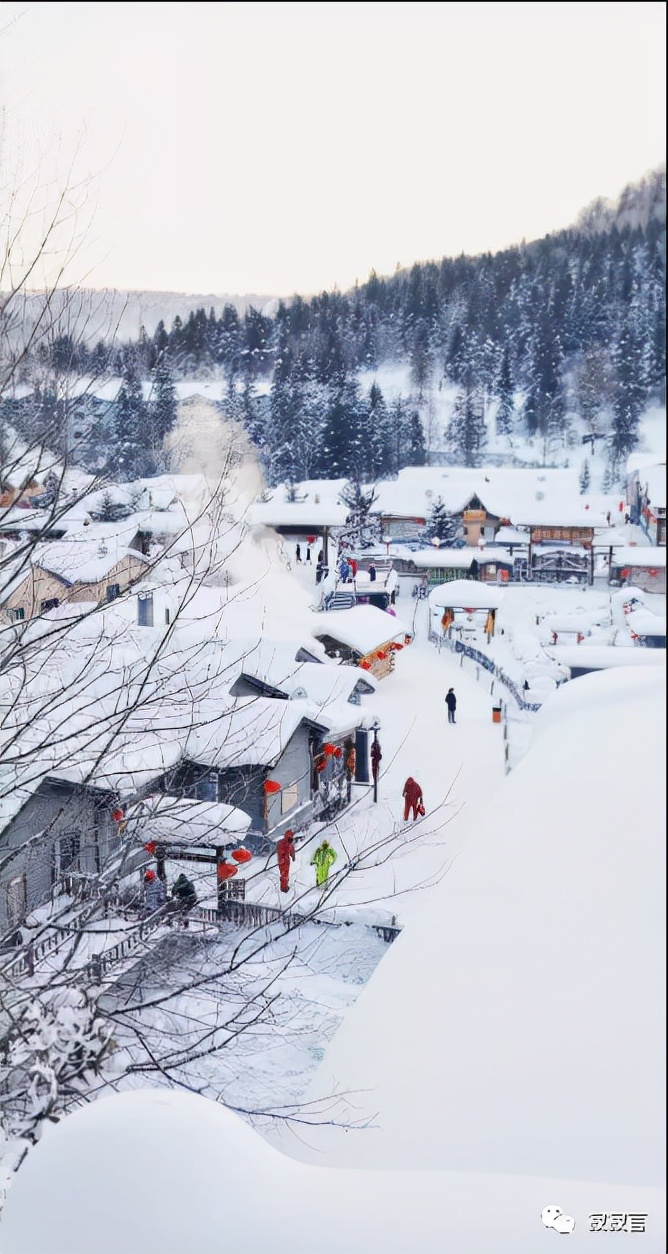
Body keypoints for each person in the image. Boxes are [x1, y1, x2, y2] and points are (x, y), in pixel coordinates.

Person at [276, 829, 296, 894]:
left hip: (287, 861)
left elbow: (292, 849)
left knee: (286, 875)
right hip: (283, 862)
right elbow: (280, 853)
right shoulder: (281, 843)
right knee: (284, 875)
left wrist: (293, 855)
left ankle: (285, 886)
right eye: (290, 838)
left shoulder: (290, 844)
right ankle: (283, 888)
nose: (291, 840)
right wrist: (281, 860)